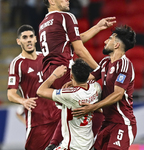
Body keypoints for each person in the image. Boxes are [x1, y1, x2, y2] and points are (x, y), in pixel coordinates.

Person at [39, 0, 116, 149]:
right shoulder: (66, 17)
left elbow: (73, 40)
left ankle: (53, 144)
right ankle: (97, 144)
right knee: (98, 101)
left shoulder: (44, 23)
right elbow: (79, 50)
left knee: (72, 106)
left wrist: (97, 27)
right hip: (66, 70)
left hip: (51, 73)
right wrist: (102, 69)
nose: (67, 0)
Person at [71, 25, 137, 150]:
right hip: (107, 123)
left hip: (122, 123)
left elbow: (118, 94)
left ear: (117, 45)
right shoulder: (105, 62)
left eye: (110, 38)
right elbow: (86, 79)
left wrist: (92, 107)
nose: (105, 41)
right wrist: (72, 82)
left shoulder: (124, 65)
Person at [7, 25, 61, 150]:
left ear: (36, 39)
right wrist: (23, 101)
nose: (29, 40)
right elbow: (10, 94)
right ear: (18, 41)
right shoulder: (17, 64)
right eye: (25, 37)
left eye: (31, 36)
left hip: (58, 117)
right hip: (38, 122)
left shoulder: (46, 57)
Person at [37, 59, 102, 150]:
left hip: (72, 146)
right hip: (88, 144)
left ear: (71, 76)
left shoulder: (70, 95)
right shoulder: (96, 87)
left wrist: (54, 75)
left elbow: (40, 91)